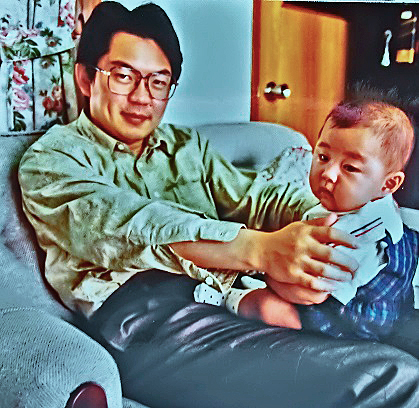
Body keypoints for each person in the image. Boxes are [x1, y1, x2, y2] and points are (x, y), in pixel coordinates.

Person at [18, 2, 419, 407]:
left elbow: (259, 197)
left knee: (406, 333)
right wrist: (261, 249)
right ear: (86, 78)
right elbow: (134, 225)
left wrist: (327, 227)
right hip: (145, 319)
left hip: (230, 291)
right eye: (124, 76)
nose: (142, 97)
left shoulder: (185, 146)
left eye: (159, 81)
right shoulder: (52, 159)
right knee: (392, 377)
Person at [230, 100, 419, 342]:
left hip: (351, 318)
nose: (328, 173)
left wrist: (267, 270)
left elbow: (311, 293)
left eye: (350, 167)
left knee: (267, 307)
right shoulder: (380, 208)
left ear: (389, 183)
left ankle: (226, 297)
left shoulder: (354, 233)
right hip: (393, 309)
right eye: (323, 156)